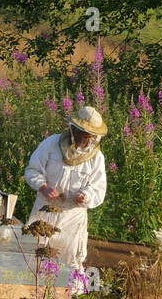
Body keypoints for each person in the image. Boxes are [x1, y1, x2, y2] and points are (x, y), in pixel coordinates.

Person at [24, 105, 108, 269]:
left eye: (89, 136)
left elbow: (98, 188)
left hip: (73, 216)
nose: (85, 139)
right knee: (33, 259)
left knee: (70, 264)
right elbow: (32, 170)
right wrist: (43, 187)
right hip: (43, 211)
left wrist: (85, 195)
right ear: (74, 129)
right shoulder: (51, 144)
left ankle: (69, 295)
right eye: (82, 134)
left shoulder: (96, 157)